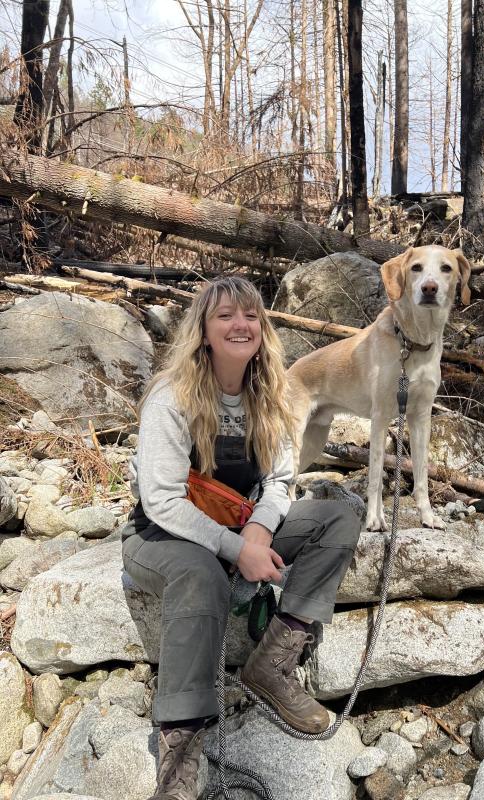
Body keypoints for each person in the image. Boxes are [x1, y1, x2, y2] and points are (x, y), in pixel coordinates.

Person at [122, 276, 361, 800]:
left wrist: (256, 532)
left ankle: (271, 666)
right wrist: (238, 551)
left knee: (335, 518)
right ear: (204, 331)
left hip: (240, 521)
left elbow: (279, 481)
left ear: (262, 329)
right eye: (225, 315)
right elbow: (161, 500)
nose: (240, 325)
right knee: (200, 572)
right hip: (160, 534)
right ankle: (180, 744)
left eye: (251, 315)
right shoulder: (171, 395)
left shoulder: (269, 394)